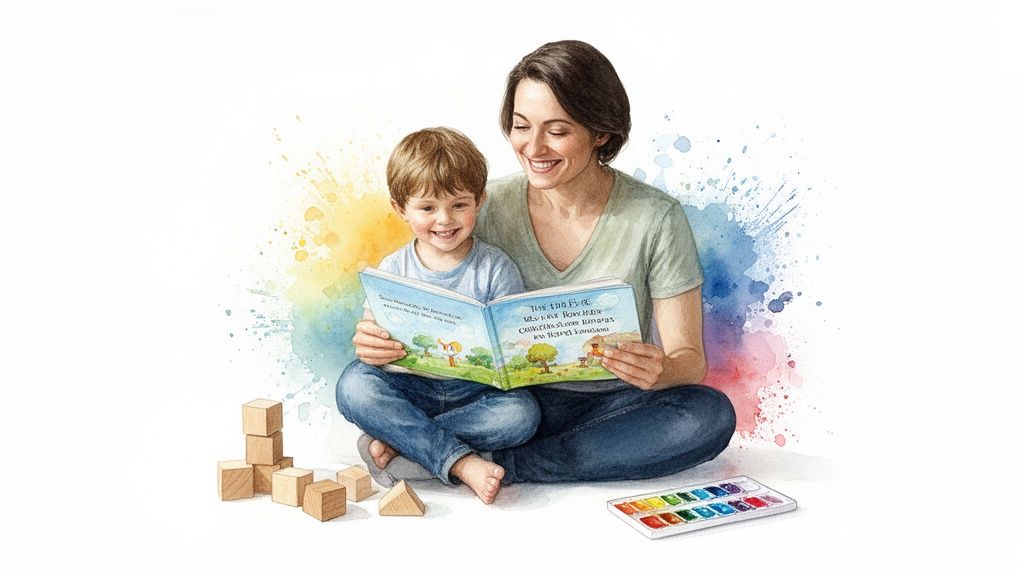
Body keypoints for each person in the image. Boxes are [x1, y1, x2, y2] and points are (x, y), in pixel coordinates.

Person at [349, 40, 736, 486]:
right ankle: (456, 450)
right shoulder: (479, 207)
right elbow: (428, 298)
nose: (533, 147)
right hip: (504, 402)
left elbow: (690, 360)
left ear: (601, 132)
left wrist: (660, 369)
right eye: (520, 126)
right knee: (359, 377)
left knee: (708, 415)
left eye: (556, 130)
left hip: (611, 403)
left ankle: (467, 457)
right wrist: (379, 336)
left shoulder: (656, 218)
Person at [335, 127, 540, 504]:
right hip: (409, 389)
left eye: (459, 205)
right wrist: (371, 345)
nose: (444, 220)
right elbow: (370, 336)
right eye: (427, 208)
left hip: (475, 395)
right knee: (353, 385)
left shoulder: (496, 268)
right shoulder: (393, 268)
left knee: (521, 415)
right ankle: (460, 463)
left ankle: (401, 442)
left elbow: (517, 341)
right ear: (401, 208)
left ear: (479, 201)